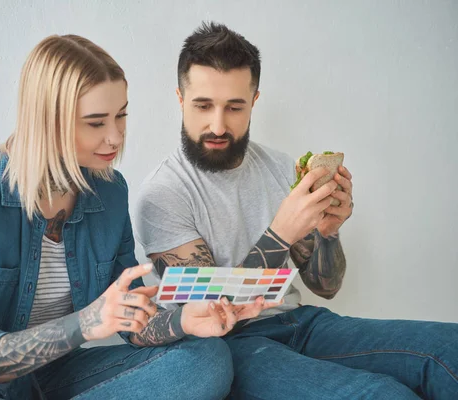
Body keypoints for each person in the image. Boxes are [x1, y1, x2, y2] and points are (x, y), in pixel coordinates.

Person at [0, 34, 257, 400]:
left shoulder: (110, 191)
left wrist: (183, 319)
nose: (115, 137)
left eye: (121, 115)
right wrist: (84, 324)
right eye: (96, 123)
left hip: (60, 378)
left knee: (206, 359)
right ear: (46, 120)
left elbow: (133, 318)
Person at [134, 22, 458, 399]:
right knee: (382, 394)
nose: (218, 124)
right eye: (203, 105)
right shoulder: (162, 194)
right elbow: (213, 311)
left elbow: (327, 286)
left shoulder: (279, 166)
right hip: (228, 348)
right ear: (179, 98)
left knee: (449, 349)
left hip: (299, 322)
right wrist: (280, 233)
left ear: (254, 101)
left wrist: (327, 233)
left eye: (234, 107)